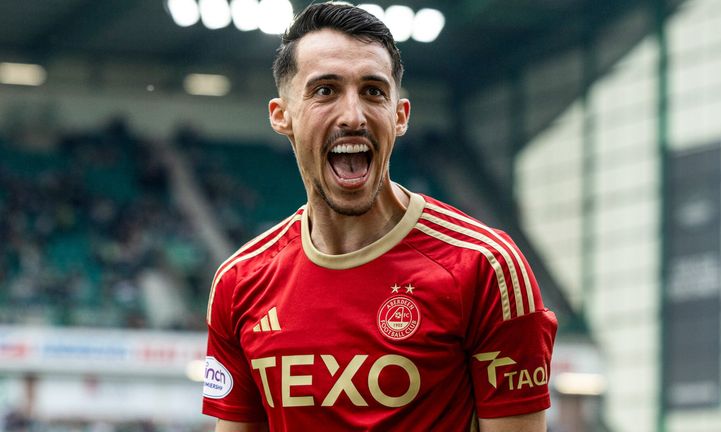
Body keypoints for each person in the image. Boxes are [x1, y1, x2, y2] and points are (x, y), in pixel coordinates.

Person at [202, 2, 558, 431]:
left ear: (399, 116)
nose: (353, 116)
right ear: (282, 116)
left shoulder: (486, 267)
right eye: (325, 91)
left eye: (373, 91)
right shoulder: (240, 282)